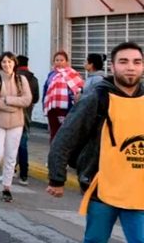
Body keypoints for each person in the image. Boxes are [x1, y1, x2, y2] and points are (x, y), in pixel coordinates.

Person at [47, 41, 144, 243]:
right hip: (102, 190)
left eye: (136, 62)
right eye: (123, 61)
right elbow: (65, 137)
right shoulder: (96, 98)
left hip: (138, 191)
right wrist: (57, 178)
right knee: (95, 240)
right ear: (113, 67)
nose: (130, 67)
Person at [0, 52, 32, 203]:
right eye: (4, 62)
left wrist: (8, 100)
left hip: (16, 123)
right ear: (0, 64)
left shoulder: (22, 80)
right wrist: (14, 106)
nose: (7, 65)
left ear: (14, 63)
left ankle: (6, 187)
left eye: (9, 62)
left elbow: (28, 99)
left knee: (10, 156)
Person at [43, 51, 84, 142]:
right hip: (52, 109)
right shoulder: (51, 75)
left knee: (66, 134)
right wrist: (44, 105)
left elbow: (79, 89)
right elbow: (46, 90)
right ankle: (54, 154)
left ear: (66, 62)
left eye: (62, 60)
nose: (59, 62)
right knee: (54, 133)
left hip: (68, 109)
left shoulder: (73, 74)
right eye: (57, 60)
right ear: (53, 62)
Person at [15, 55, 39, 186]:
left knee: (12, 146)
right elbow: (35, 99)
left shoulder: (13, 77)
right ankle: (24, 175)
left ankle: (12, 169)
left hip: (12, 115)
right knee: (23, 145)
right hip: (26, 116)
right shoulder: (33, 79)